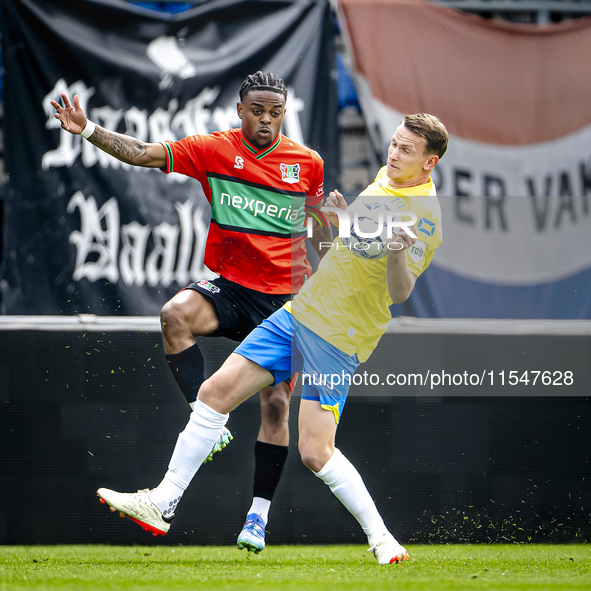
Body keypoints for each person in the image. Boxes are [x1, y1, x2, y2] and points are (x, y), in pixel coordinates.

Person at [96, 113, 448, 564]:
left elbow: (400, 291)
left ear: (430, 163)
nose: (393, 154)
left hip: (338, 338)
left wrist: (398, 253)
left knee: (315, 453)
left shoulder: (424, 216)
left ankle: (383, 540)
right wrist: (338, 222)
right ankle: (163, 503)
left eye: (405, 150)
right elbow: (353, 249)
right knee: (213, 393)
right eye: (394, 144)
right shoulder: (386, 178)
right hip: (300, 313)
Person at [51, 71, 332, 551]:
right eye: (258, 111)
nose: (266, 121)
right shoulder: (213, 149)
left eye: (275, 113)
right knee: (174, 315)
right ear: (240, 110)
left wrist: (341, 240)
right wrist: (87, 131)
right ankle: (206, 423)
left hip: (285, 297)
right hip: (232, 287)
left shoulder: (307, 164)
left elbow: (320, 225)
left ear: (284, 114)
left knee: (277, 405)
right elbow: (141, 153)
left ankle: (257, 519)